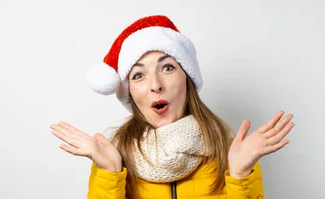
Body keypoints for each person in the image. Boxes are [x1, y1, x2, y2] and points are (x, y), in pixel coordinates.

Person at [50, 15, 295, 199]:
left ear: (187, 78)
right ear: (131, 94)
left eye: (167, 67)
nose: (155, 85)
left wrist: (240, 177)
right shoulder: (113, 156)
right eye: (138, 76)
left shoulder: (232, 152)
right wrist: (110, 173)